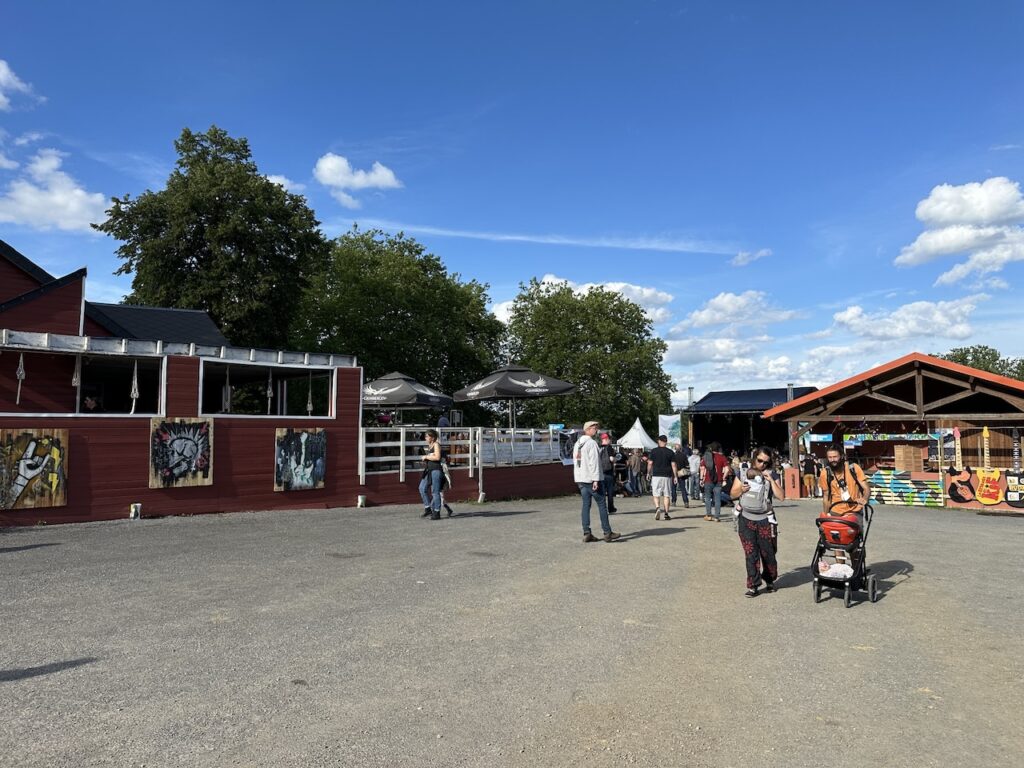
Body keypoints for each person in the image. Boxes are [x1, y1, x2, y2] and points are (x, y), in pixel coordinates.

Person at [730, 446, 784, 597]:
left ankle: (770, 578)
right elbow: (732, 494)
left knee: (768, 553)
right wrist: (742, 489)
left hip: (765, 519)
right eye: (760, 461)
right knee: (750, 553)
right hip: (746, 518)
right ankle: (753, 585)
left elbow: (781, 496)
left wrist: (771, 480)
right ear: (754, 458)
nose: (762, 464)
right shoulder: (744, 472)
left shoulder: (772, 473)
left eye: (766, 462)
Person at [573, 421, 620, 543]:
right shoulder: (591, 443)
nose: (596, 430)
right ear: (587, 429)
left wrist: (578, 478)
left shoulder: (578, 443)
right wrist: (595, 479)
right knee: (601, 504)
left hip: (581, 479)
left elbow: (577, 462)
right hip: (590, 478)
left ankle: (587, 532)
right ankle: (607, 532)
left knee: (585, 505)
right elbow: (594, 463)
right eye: (594, 428)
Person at [647, 434, 677, 521]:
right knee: (667, 495)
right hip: (667, 476)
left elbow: (649, 463)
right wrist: (675, 476)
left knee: (656, 494)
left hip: (656, 475)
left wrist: (648, 473)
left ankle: (657, 508)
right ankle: (666, 514)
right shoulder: (671, 452)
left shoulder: (653, 451)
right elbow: (674, 465)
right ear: (666, 442)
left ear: (659, 441)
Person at [700, 441, 729, 522]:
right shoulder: (722, 457)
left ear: (711, 448)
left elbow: (702, 468)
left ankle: (709, 515)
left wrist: (701, 479)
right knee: (717, 499)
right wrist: (723, 478)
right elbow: (727, 469)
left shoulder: (706, 457)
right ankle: (717, 517)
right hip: (718, 481)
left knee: (708, 498)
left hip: (708, 480)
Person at [418, 430, 444, 520]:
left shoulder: (436, 444)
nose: (425, 438)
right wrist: (425, 462)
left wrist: (426, 457)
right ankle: (428, 508)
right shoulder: (429, 446)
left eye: (427, 436)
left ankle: (437, 512)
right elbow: (432, 458)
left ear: (432, 437)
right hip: (429, 470)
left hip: (436, 470)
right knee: (422, 488)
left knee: (435, 492)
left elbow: (437, 457)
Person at [599, 432, 619, 514]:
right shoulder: (609, 447)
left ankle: (603, 509)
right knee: (610, 492)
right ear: (607, 439)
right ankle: (611, 508)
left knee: (602, 492)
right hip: (609, 473)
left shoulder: (599, 448)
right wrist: (615, 460)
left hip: (600, 472)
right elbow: (611, 459)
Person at [671, 443, 690, 508]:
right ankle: (686, 502)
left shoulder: (673, 455)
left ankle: (673, 502)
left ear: (675, 449)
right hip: (681, 474)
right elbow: (687, 465)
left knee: (673, 488)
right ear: (680, 448)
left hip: (674, 473)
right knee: (683, 489)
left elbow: (671, 465)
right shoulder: (684, 455)